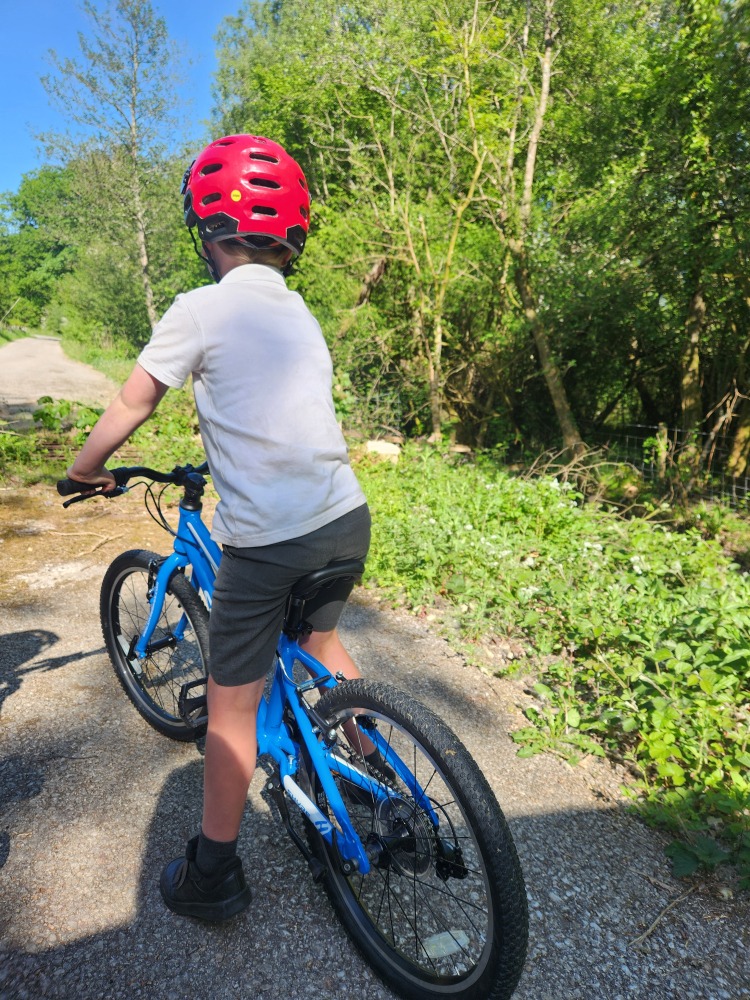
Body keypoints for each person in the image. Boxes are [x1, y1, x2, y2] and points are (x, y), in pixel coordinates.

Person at [64, 134, 377, 921]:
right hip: (343, 516)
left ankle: (213, 877)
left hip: (271, 541)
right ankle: (379, 774)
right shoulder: (298, 311)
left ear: (209, 228)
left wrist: (83, 468)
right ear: (288, 233)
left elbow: (136, 401)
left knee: (232, 709)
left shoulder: (198, 308)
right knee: (320, 643)